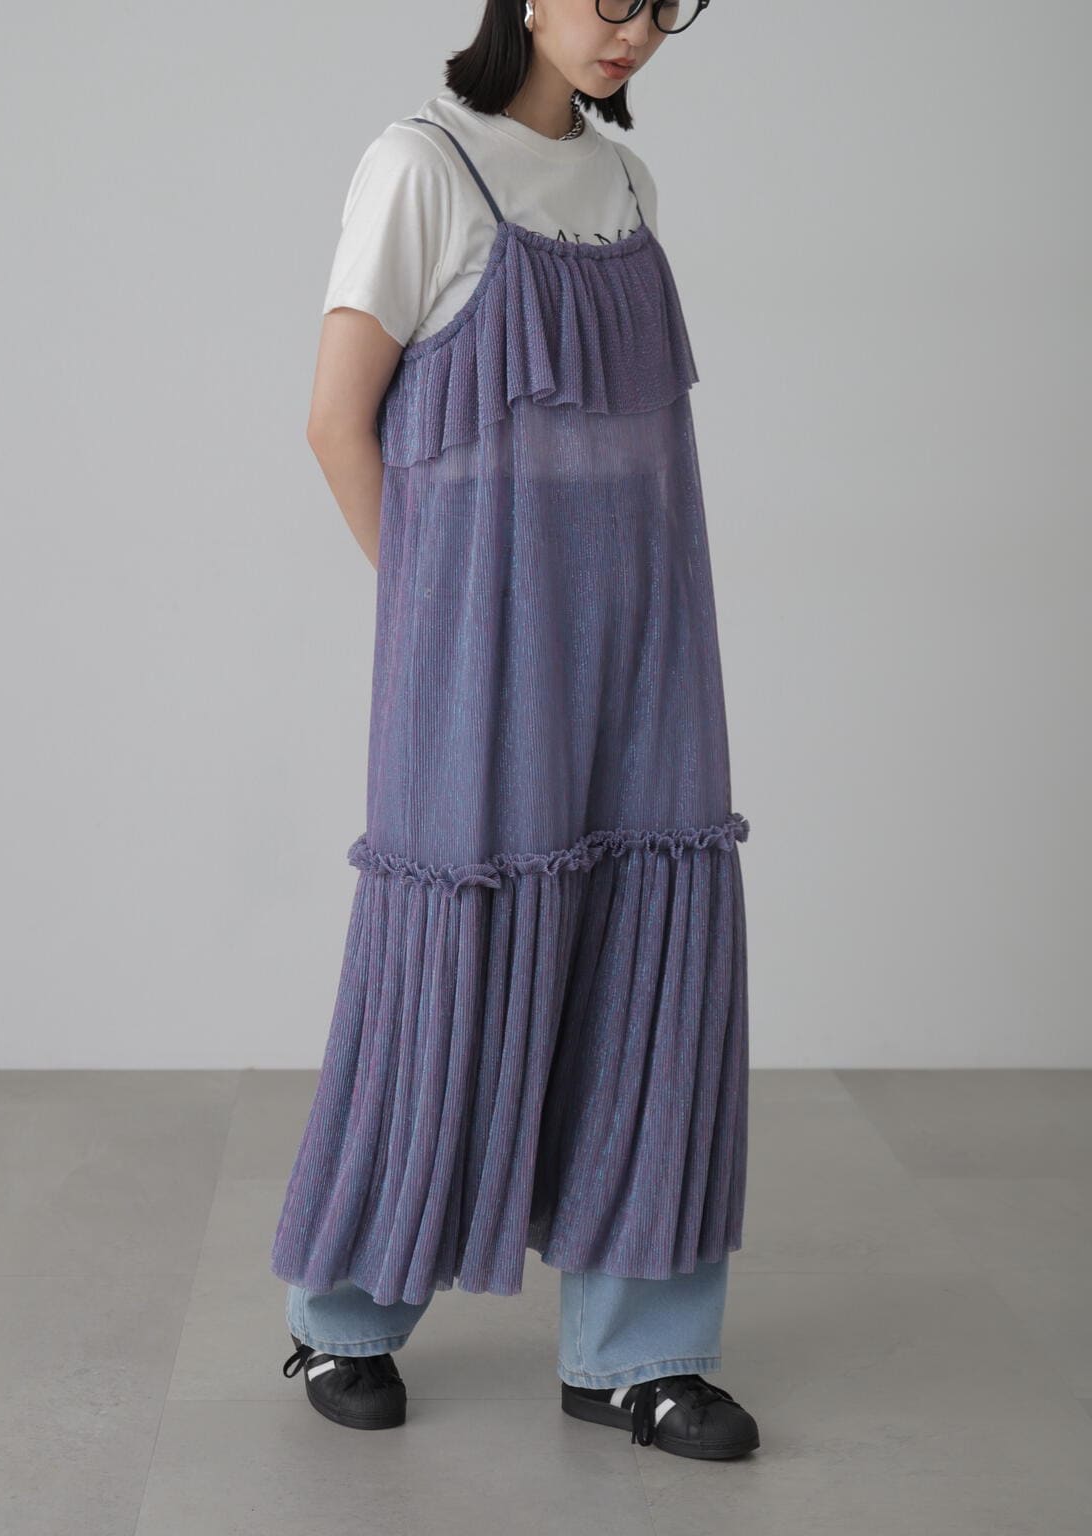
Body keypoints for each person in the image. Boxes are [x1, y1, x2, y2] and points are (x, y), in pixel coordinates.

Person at [271, 0, 760, 1461]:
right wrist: (435, 610)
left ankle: (639, 1355)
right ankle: (342, 1318)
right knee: (451, 949)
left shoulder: (624, 184)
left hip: (646, 634)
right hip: (485, 644)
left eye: (665, 4)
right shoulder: (420, 168)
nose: (635, 31)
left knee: (649, 954)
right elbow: (337, 421)